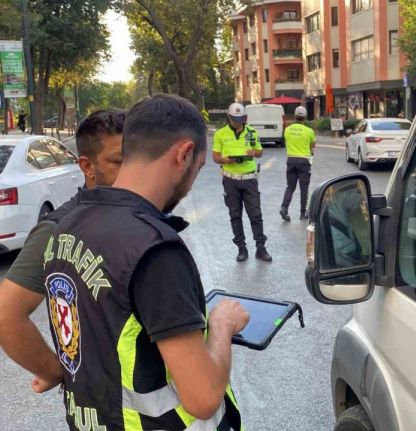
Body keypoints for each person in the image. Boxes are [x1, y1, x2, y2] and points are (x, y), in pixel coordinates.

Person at [41, 95, 250, 430]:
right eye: (197, 168)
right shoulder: (154, 249)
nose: (193, 180)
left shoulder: (67, 224)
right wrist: (223, 324)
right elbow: (203, 397)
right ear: (183, 154)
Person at [0, 109, 125, 398]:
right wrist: (54, 371)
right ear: (87, 166)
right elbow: (7, 314)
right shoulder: (58, 229)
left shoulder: (138, 213)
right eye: (119, 161)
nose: (133, 170)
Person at [213, 102, 272, 262]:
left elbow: (259, 152)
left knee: (255, 214)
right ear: (229, 117)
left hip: (249, 180)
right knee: (235, 215)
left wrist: (253, 152)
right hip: (230, 180)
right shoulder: (220, 134)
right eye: (234, 119)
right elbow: (215, 157)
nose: (237, 122)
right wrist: (226, 160)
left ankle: (260, 248)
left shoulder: (252, 132)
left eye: (240, 119)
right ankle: (241, 248)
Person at [279, 106, 316, 221]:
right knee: (304, 188)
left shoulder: (287, 130)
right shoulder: (309, 131)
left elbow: (287, 141)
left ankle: (284, 207)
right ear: (304, 117)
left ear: (295, 116)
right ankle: (302, 213)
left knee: (290, 186)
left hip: (291, 160)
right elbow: (312, 146)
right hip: (304, 161)